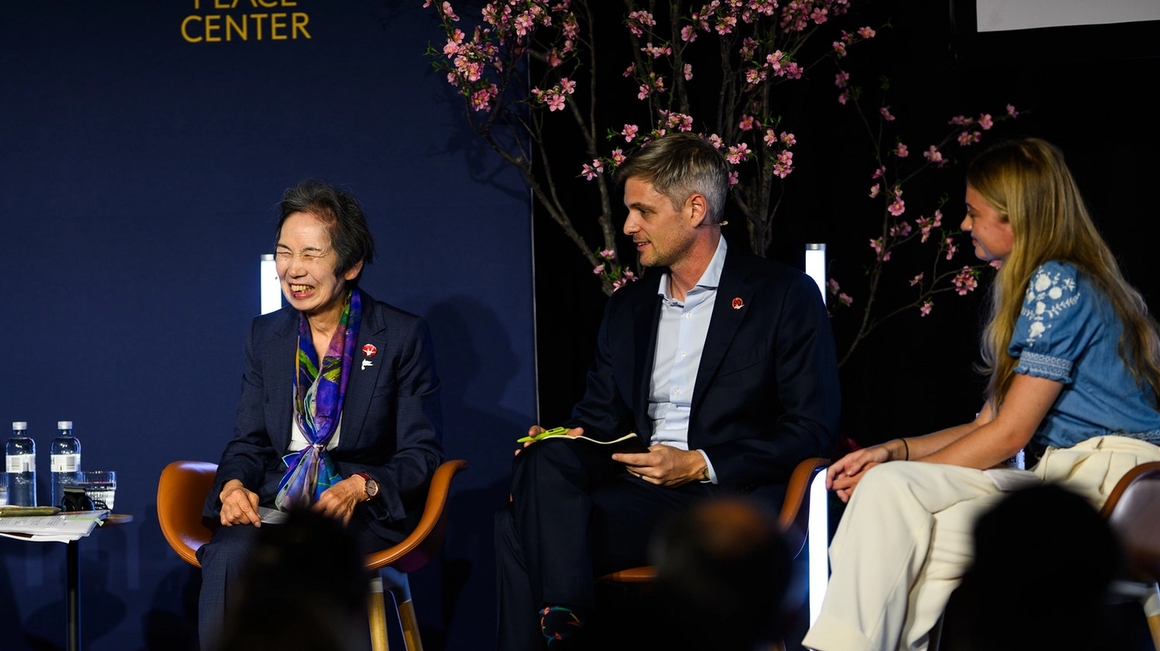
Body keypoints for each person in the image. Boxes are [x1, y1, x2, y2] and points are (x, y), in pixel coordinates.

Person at [802, 138, 1160, 651]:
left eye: (973, 212)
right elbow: (985, 426)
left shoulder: (1056, 283)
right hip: (1070, 476)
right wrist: (894, 452)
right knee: (914, 533)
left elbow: (1009, 436)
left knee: (895, 503)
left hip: (1111, 487)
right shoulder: (1058, 281)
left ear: (1014, 218)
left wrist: (898, 474)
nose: (964, 224)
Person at [495, 132, 842, 649]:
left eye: (643, 211)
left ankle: (566, 632)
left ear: (695, 209)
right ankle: (566, 626)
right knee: (541, 464)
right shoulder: (628, 307)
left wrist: (700, 462)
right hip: (641, 492)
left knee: (517, 528)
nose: (628, 226)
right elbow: (600, 418)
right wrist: (561, 437)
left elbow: (811, 429)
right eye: (628, 211)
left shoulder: (784, 295)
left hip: (729, 498)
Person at [197, 179, 443, 650]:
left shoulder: (400, 336)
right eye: (284, 253)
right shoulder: (266, 336)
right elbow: (248, 442)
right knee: (227, 555)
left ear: (351, 265)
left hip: (357, 511)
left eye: (311, 255)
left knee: (311, 559)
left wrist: (362, 486)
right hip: (277, 504)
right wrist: (233, 486)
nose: (293, 269)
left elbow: (422, 453)